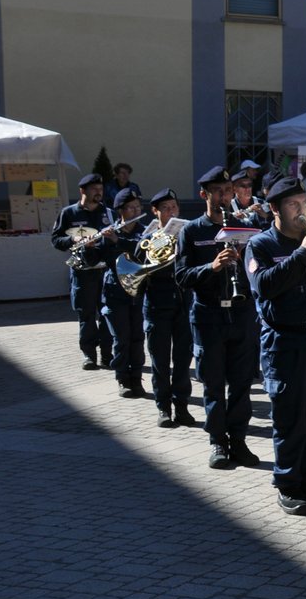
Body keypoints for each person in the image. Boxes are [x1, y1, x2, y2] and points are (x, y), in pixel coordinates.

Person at [245, 179, 306, 515]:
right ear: (274, 208)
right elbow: (265, 285)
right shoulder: (261, 245)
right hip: (287, 344)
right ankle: (288, 483)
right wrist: (303, 253)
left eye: (303, 201)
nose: (301, 209)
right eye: (292, 204)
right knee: (291, 418)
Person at [175, 166, 261, 470]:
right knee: (212, 383)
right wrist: (210, 268)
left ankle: (238, 439)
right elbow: (182, 276)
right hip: (208, 314)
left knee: (241, 383)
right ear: (204, 194)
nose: (225, 197)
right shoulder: (192, 231)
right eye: (219, 191)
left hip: (240, 313)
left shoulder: (245, 226)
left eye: (228, 191)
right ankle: (217, 441)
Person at [141, 188, 196, 429]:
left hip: (183, 303)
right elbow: (138, 263)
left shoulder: (187, 234)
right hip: (157, 304)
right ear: (155, 211)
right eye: (165, 208)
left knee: (183, 360)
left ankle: (182, 406)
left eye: (174, 207)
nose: (171, 211)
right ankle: (163, 407)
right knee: (160, 360)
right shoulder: (149, 236)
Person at [51, 173, 114, 371]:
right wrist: (73, 240)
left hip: (105, 271)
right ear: (82, 191)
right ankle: (89, 355)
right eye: (94, 189)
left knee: (107, 314)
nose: (98, 193)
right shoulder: (69, 213)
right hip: (82, 272)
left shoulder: (109, 213)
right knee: (86, 315)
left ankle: (107, 355)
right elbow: (56, 240)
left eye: (100, 189)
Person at [93, 189, 149, 399]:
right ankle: (123, 378)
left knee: (137, 337)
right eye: (130, 208)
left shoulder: (145, 231)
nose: (135, 211)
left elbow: (142, 251)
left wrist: (119, 241)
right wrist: (89, 246)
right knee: (121, 338)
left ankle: (136, 377)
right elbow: (96, 259)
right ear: (120, 211)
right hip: (115, 292)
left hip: (139, 292)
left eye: (137, 207)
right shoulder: (109, 232)